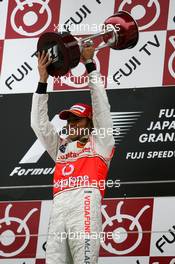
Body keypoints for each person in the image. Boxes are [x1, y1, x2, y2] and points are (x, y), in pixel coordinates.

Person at [31, 47, 115, 264]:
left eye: (78, 119)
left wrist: (90, 66)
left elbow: (101, 107)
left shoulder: (101, 143)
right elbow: (38, 125)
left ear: (91, 122)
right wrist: (42, 80)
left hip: (85, 206)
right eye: (69, 121)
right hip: (59, 208)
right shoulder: (60, 147)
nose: (72, 124)